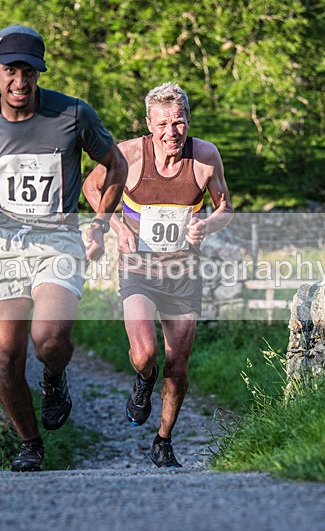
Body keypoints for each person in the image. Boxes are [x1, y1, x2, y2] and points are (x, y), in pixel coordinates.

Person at [0, 25, 127, 472]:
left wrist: (100, 224)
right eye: (11, 70)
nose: (20, 81)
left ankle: (54, 378)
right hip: (1, 244)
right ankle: (30, 443)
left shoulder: (72, 114)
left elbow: (116, 166)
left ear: (39, 74)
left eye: (29, 72)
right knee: (6, 357)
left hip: (58, 239)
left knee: (49, 340)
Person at [83, 82, 232, 468]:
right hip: (138, 269)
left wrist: (207, 227)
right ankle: (143, 378)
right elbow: (90, 185)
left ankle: (163, 439)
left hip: (183, 272)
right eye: (162, 124)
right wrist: (116, 227)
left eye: (179, 122)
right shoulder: (129, 154)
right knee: (145, 352)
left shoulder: (205, 157)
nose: (171, 133)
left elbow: (225, 207)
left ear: (187, 121)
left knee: (178, 363)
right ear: (149, 124)